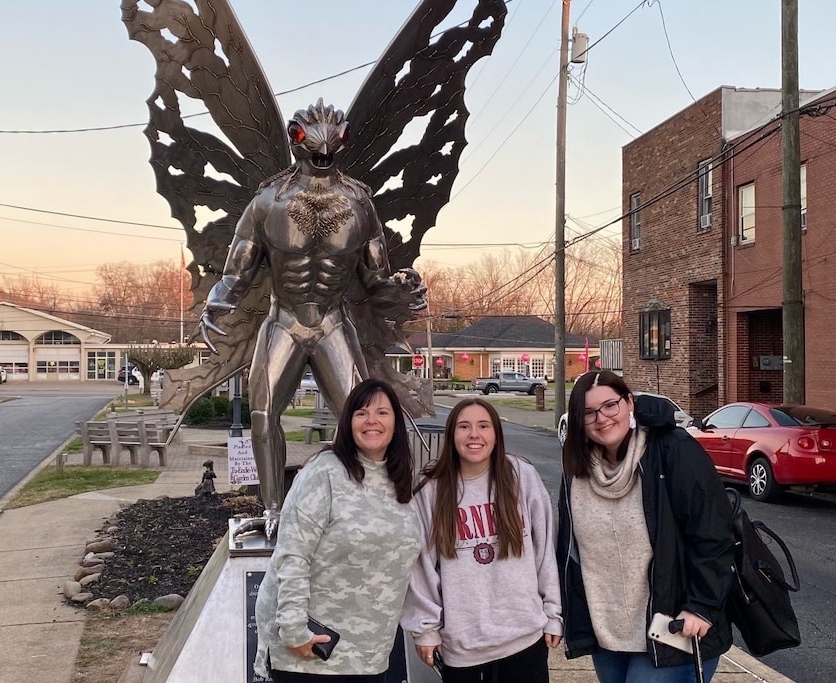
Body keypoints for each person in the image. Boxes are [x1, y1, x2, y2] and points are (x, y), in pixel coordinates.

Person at [198, 99, 426, 537]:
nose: (322, 157)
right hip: (283, 320)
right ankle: (273, 510)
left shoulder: (360, 203)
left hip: (333, 322)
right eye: (312, 146)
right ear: (295, 139)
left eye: (331, 147)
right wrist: (216, 301)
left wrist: (401, 291)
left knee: (364, 417)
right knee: (262, 413)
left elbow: (376, 282)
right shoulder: (267, 203)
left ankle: (367, 504)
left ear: (342, 143)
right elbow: (236, 271)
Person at [557, 371, 734, 682]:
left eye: (610, 405)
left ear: (629, 404)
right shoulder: (576, 472)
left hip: (673, 625)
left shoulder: (671, 450)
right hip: (608, 631)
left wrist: (702, 606)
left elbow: (713, 532)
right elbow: (568, 550)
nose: (602, 418)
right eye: (588, 412)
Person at [253, 378, 420, 682]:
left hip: (371, 654)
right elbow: (293, 553)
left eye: (382, 413)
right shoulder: (324, 472)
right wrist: (293, 629)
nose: (372, 420)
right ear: (348, 422)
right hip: (312, 650)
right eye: (361, 413)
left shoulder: (401, 481)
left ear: (396, 423)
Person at [403, 398, 563, 682]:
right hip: (464, 646)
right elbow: (421, 567)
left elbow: (545, 552)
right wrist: (426, 628)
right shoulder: (430, 489)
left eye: (483, 426)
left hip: (523, 637)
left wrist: (553, 612)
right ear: (451, 435)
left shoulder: (520, 477)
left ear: (496, 434)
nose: (474, 434)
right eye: (464, 426)